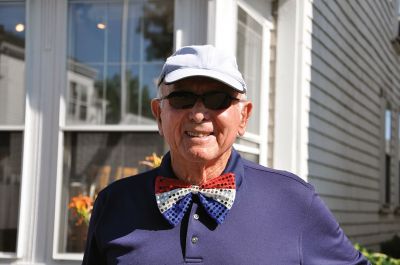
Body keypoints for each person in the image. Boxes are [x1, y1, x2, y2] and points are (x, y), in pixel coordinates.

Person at [82, 45, 369, 264]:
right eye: (181, 98)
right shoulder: (114, 202)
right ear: (159, 114)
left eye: (218, 99)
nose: (197, 114)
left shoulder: (294, 200)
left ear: (243, 117)